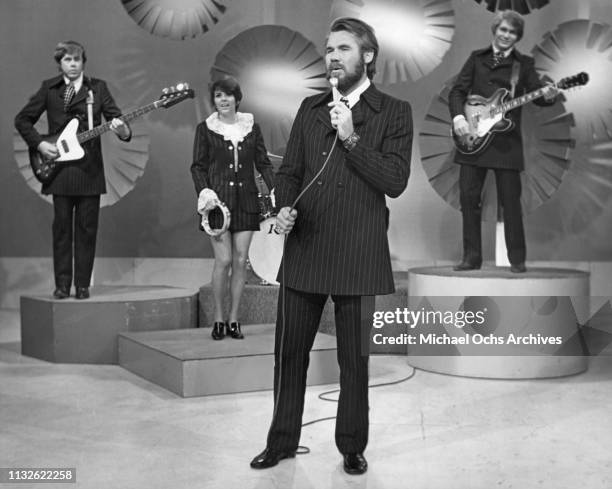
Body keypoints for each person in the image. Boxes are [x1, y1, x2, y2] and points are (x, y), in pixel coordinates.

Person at [250, 17, 412, 475]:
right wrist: (282, 207)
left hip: (358, 253)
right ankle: (281, 441)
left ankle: (352, 446)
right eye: (328, 49)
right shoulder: (310, 107)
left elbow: (395, 181)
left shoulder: (393, 112)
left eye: (343, 48)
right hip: (305, 249)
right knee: (289, 354)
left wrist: (351, 137)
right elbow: (290, 172)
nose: (332, 57)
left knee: (354, 362)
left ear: (368, 57)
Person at [15, 40, 131, 300]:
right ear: (60, 64)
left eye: (77, 59)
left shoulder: (97, 89)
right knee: (62, 230)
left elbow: (116, 118)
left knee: (87, 230)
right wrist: (40, 144)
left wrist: (123, 130)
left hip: (90, 171)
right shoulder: (49, 89)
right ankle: (61, 285)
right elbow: (22, 119)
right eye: (68, 60)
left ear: (83, 62)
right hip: (59, 170)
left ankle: (82, 286)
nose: (73, 64)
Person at [448, 10, 558, 273]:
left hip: (506, 143)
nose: (507, 35)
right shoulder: (476, 59)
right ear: (495, 30)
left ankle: (517, 259)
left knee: (510, 202)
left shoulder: (525, 64)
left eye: (512, 32)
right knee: (468, 197)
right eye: (503, 30)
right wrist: (459, 119)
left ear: (517, 37)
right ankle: (471, 257)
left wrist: (550, 94)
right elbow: (457, 91)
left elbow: (537, 95)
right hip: (473, 138)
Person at [191, 77, 275, 340]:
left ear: (237, 99)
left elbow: (262, 162)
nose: (223, 100)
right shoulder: (205, 129)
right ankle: (218, 318)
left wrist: (274, 189)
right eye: (218, 95)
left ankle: (234, 319)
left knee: (240, 262)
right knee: (224, 260)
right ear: (213, 100)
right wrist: (204, 192)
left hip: (247, 202)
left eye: (228, 95)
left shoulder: (252, 127)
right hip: (217, 205)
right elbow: (198, 167)